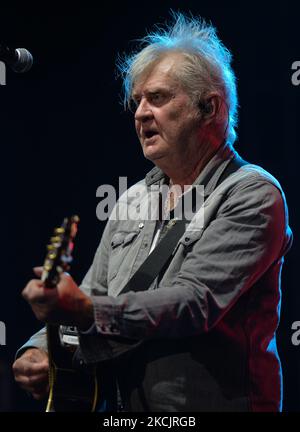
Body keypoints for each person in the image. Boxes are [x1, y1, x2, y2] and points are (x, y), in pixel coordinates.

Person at [13, 11, 293, 412]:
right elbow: (94, 292)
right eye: (137, 101)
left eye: (158, 98)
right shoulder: (132, 198)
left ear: (209, 107)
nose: (141, 113)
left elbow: (194, 302)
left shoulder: (252, 193)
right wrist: (40, 350)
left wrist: (88, 311)